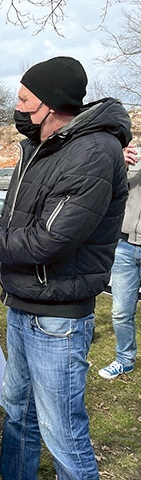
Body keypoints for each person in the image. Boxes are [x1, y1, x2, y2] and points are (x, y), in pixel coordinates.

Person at [0, 57, 130, 480]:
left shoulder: (92, 152)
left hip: (57, 317)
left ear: (53, 105)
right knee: (18, 415)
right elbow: (16, 222)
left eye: (24, 99)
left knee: (63, 432)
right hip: (25, 303)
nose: (17, 107)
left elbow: (48, 240)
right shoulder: (41, 147)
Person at [98, 142, 141, 380]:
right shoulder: (134, 156)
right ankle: (125, 360)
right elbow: (110, 190)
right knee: (121, 312)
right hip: (125, 246)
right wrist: (120, 164)